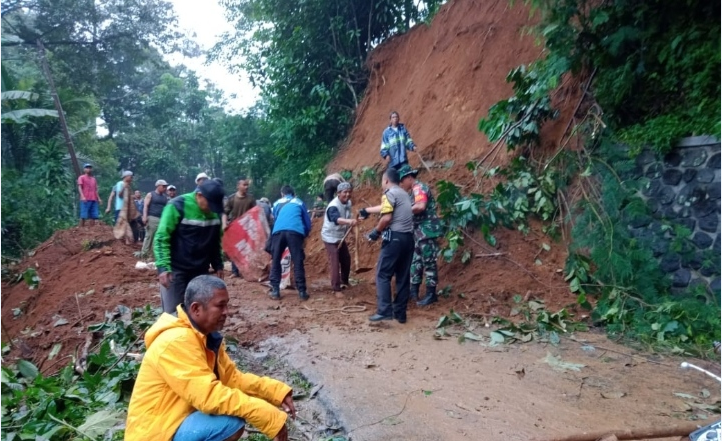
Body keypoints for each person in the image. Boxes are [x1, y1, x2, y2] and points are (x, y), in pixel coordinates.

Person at [125, 275, 296, 441]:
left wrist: (276, 392)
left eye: (227, 305)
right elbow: (208, 396)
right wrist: (266, 415)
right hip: (155, 434)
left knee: (229, 416)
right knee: (229, 423)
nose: (226, 312)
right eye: (220, 306)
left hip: (173, 422)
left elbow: (232, 379)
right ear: (196, 309)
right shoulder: (176, 341)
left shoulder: (204, 337)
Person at [155, 179, 226, 314]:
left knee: (199, 312)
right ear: (199, 195)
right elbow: (161, 238)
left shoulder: (215, 212)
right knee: (174, 314)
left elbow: (215, 241)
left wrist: (218, 265)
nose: (211, 208)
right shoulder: (177, 206)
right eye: (209, 204)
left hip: (200, 270)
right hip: (176, 270)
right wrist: (163, 268)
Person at [359, 168, 414, 323]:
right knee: (403, 277)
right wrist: (367, 210)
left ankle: (384, 311)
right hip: (408, 239)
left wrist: (375, 232)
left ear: (386, 180)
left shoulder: (389, 194)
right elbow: (386, 209)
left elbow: (386, 218)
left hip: (394, 239)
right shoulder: (404, 194)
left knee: (383, 274)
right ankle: (400, 314)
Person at [398, 165, 443, 305]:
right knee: (416, 261)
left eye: (402, 181)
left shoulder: (419, 188)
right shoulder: (413, 191)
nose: (401, 184)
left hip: (426, 231)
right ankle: (413, 292)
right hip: (418, 232)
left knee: (428, 261)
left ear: (409, 178)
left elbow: (420, 207)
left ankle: (431, 294)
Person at [269, 185, 312, 301]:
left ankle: (275, 291)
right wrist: (305, 234)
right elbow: (307, 221)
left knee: (276, 259)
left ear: (282, 193)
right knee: (297, 261)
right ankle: (302, 292)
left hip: (278, 231)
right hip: (295, 231)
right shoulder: (299, 202)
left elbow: (276, 217)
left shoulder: (277, 203)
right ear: (293, 193)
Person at [321, 182, 357, 296]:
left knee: (346, 258)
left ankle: (344, 281)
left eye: (349, 192)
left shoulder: (348, 203)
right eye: (344, 192)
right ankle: (336, 289)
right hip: (330, 237)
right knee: (335, 260)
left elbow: (347, 217)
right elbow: (336, 219)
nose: (347, 194)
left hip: (340, 236)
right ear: (338, 193)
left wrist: (350, 227)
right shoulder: (333, 206)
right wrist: (349, 222)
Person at [223, 176, 256, 278]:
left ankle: (247, 271)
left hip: (247, 228)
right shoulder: (232, 198)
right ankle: (235, 271)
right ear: (238, 186)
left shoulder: (251, 199)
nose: (246, 187)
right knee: (235, 250)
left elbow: (255, 213)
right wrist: (224, 223)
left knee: (248, 249)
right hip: (235, 228)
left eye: (247, 185)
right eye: (244, 185)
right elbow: (225, 212)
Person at [140, 180, 169, 258]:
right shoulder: (150, 194)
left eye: (165, 186)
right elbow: (145, 206)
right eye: (163, 186)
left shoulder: (165, 197)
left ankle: (152, 256)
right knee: (149, 236)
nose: (165, 188)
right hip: (152, 218)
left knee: (157, 238)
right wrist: (144, 216)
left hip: (161, 219)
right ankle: (144, 255)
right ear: (158, 186)